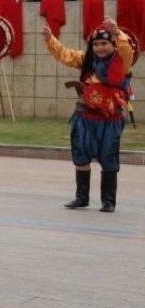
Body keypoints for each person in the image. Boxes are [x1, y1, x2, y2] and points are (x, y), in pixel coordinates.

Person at [43, 18, 130, 212]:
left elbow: (126, 48)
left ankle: (108, 201)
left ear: (113, 44)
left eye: (104, 43)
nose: (100, 48)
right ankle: (81, 197)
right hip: (85, 116)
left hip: (110, 117)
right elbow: (65, 55)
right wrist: (51, 40)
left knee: (109, 156)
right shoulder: (87, 60)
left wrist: (117, 33)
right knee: (80, 153)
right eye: (96, 44)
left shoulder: (122, 61)